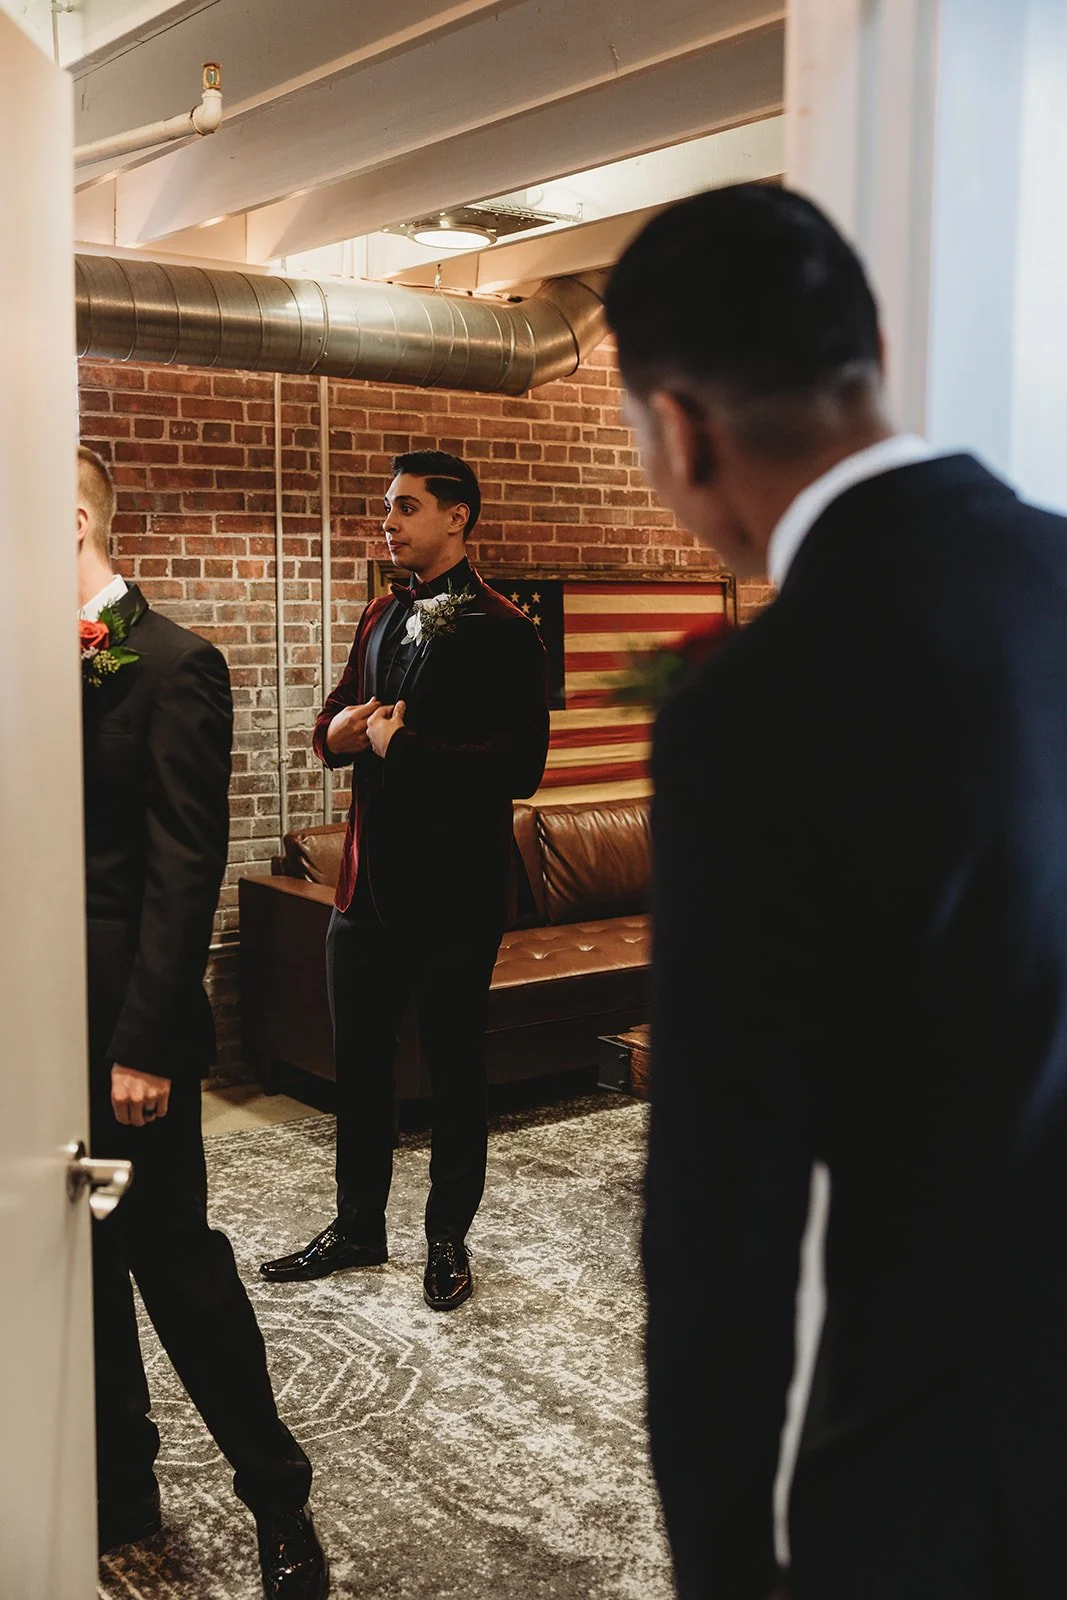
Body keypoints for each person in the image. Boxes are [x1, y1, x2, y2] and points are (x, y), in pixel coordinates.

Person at [604, 183, 1067, 1600]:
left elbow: (718, 1217)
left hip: (951, 1459)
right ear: (872, 348)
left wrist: (725, 1569)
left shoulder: (751, 709)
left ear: (679, 429)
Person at [78, 446, 328, 1599]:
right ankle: (118, 1483)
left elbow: (184, 870)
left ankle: (278, 1497)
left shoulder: (176, 664)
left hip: (128, 1033)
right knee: (71, 1265)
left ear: (70, 522)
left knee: (174, 1263)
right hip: (32, 1032)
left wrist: (141, 1042)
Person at [261, 450, 549, 1310]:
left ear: (457, 517)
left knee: (455, 1069)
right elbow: (337, 710)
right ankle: (358, 1227)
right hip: (363, 892)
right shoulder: (379, 613)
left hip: (456, 895)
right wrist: (337, 736)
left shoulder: (506, 627)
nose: (387, 521)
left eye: (405, 507)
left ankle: (447, 1238)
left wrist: (402, 747)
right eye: (387, 507)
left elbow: (520, 768)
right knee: (358, 1069)